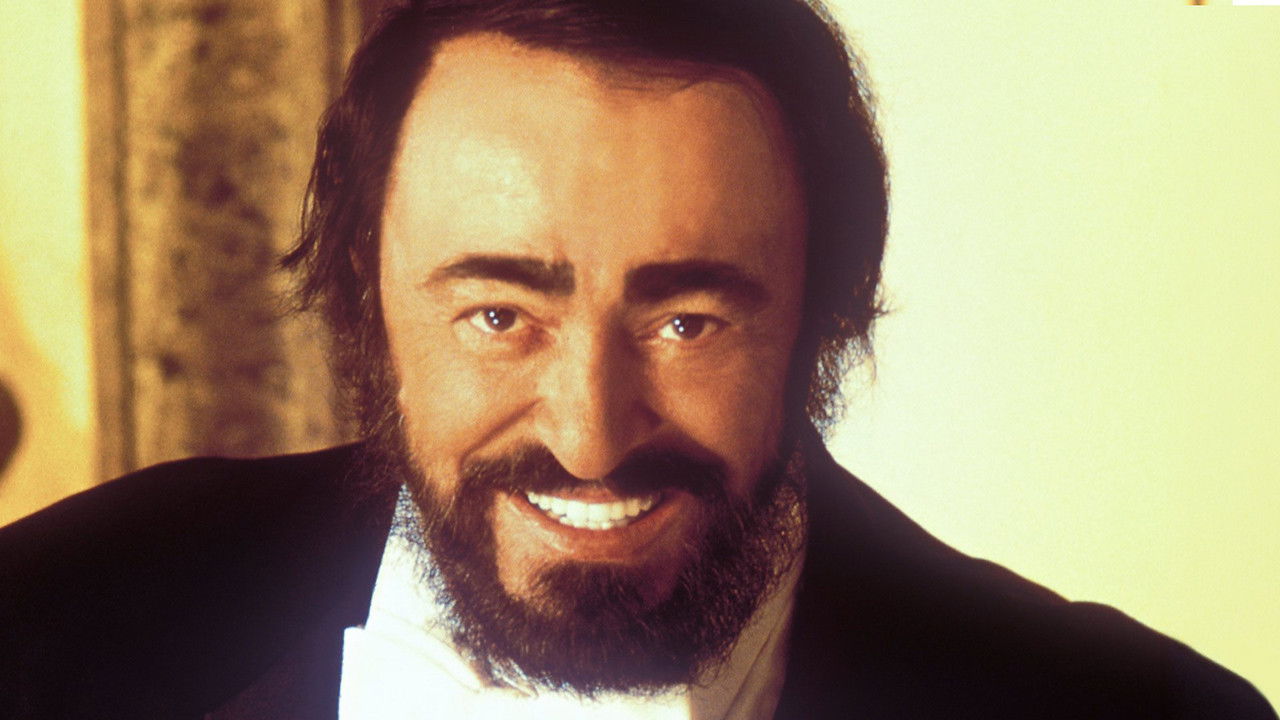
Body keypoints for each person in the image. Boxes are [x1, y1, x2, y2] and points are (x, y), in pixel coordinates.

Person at [0, 1, 1274, 718]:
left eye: (685, 323)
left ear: (822, 317)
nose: (590, 435)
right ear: (363, 301)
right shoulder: (41, 626)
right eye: (499, 314)